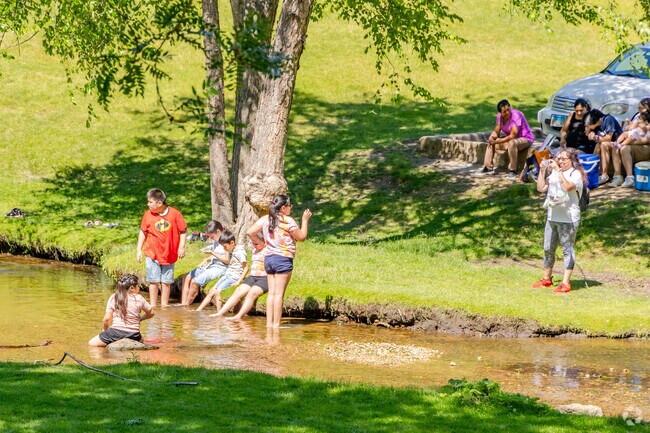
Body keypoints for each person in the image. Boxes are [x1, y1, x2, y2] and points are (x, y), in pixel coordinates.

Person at [247, 195, 312, 329]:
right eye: (289, 206)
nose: (291, 208)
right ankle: (276, 326)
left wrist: (262, 243)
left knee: (271, 293)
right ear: (283, 207)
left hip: (269, 259)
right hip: (283, 259)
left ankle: (269, 325)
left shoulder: (266, 219)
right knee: (278, 294)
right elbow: (302, 237)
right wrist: (305, 220)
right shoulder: (288, 221)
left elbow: (250, 232)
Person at [533, 148, 586, 294]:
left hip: (568, 219)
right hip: (552, 216)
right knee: (548, 248)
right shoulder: (555, 173)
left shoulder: (576, 174)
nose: (560, 161)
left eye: (564, 159)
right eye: (559, 158)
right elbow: (541, 188)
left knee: (567, 250)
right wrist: (543, 171)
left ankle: (565, 283)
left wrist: (558, 170)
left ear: (572, 160)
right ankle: (546, 278)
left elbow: (568, 187)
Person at [136, 188, 187, 308]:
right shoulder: (148, 215)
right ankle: (152, 306)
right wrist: (139, 249)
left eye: (150, 202)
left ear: (159, 203)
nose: (148, 204)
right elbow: (143, 232)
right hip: (152, 253)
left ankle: (164, 306)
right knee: (153, 281)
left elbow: (183, 231)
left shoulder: (175, 214)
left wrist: (182, 247)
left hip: (169, 254)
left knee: (166, 281)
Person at [89, 274, 154, 347]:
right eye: (138, 286)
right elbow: (151, 313)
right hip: (134, 334)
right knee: (142, 339)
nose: (139, 288)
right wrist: (140, 319)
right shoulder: (139, 298)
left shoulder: (114, 297)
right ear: (132, 288)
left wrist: (104, 330)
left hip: (116, 332)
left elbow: (107, 319)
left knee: (91, 343)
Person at [476, 99, 534, 180]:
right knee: (491, 141)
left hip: (525, 139)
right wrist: (492, 138)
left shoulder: (515, 115)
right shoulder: (499, 117)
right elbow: (496, 131)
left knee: (511, 143)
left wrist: (498, 141)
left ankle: (513, 171)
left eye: (508, 109)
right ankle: (488, 167)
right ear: (500, 113)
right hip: (512, 140)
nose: (507, 112)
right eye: (504, 111)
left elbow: (513, 136)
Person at [210, 241, 268, 320]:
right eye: (253, 243)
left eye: (256, 243)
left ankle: (238, 316)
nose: (254, 246)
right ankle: (220, 313)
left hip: (265, 278)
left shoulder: (270, 250)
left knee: (252, 293)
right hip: (253, 276)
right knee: (239, 290)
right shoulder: (255, 250)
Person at [180, 220, 229, 306]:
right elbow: (217, 254)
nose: (211, 238)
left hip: (221, 267)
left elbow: (227, 260)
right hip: (212, 264)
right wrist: (207, 259)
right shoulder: (216, 239)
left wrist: (212, 253)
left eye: (212, 236)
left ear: (218, 231)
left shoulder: (226, 241)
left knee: (194, 282)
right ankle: (183, 303)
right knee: (186, 276)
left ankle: (186, 306)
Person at [196, 230, 248, 311]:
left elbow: (246, 268)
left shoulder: (240, 252)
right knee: (212, 291)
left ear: (232, 243)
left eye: (225, 246)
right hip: (228, 274)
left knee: (217, 292)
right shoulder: (231, 249)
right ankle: (198, 310)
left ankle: (219, 313)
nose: (224, 249)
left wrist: (239, 281)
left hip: (234, 276)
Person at [582, 110, 622, 186]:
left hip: (617, 143)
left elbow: (608, 138)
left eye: (587, 125)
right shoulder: (595, 126)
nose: (586, 127)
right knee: (598, 145)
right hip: (608, 144)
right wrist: (589, 133)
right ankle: (593, 172)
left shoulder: (608, 119)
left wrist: (595, 138)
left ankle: (605, 174)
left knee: (603, 144)